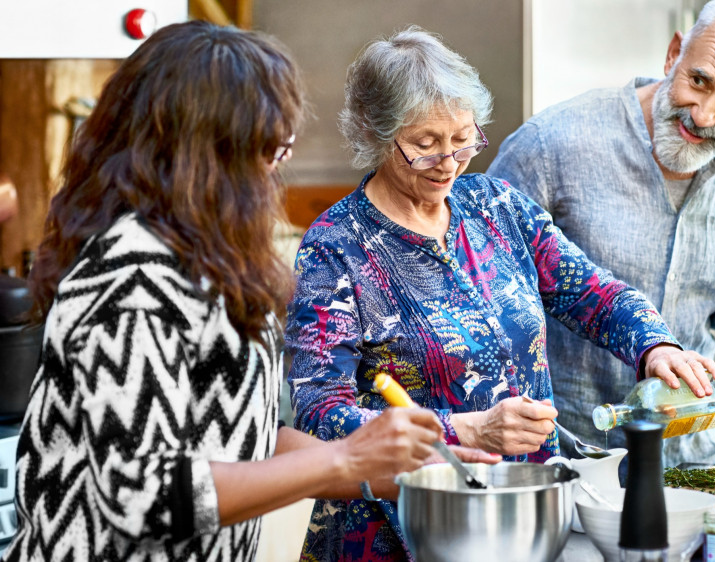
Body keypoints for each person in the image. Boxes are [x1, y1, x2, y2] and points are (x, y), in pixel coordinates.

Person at [2, 21, 494, 562]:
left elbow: (244, 434)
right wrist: (347, 462)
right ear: (206, 154)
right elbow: (143, 494)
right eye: (268, 151)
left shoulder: (207, 254)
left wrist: (395, 471)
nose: (273, 173)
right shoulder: (133, 271)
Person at [284, 25, 715, 561]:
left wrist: (655, 345)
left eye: (464, 138)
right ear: (377, 136)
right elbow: (318, 412)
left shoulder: (495, 206)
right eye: (424, 146)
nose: (449, 161)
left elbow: (592, 292)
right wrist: (463, 430)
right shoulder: (337, 247)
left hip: (522, 517)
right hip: (399, 531)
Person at [487, 0, 715, 466]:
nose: (702, 115)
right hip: (574, 458)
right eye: (698, 81)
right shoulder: (552, 143)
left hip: (692, 457)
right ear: (673, 54)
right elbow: (479, 292)